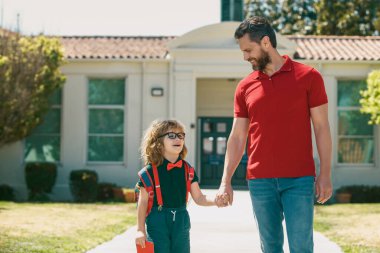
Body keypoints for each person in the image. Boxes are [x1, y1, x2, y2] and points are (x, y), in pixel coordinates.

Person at [216, 16, 333, 253]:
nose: (245, 56)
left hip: (299, 179)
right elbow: (238, 136)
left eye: (248, 50)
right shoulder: (245, 86)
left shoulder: (309, 77)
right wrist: (225, 181)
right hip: (260, 181)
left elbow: (321, 128)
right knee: (270, 247)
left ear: (266, 42)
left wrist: (325, 174)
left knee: (301, 247)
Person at [135, 119, 224, 253]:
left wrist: (215, 200)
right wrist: (140, 230)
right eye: (172, 135)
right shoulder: (148, 172)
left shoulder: (187, 170)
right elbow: (142, 203)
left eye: (181, 135)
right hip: (157, 221)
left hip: (181, 220)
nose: (178, 139)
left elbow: (199, 197)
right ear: (158, 142)